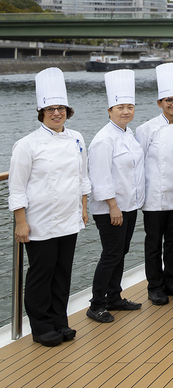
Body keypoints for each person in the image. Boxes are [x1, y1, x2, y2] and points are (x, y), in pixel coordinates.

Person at [8, 68, 89, 346]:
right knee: (41, 274)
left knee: (63, 272)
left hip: (69, 217)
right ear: (41, 112)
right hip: (39, 221)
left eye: (61, 108)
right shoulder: (27, 145)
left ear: (68, 110)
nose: (57, 113)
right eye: (50, 109)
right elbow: (16, 187)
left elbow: (82, 177)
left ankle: (60, 321)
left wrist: (83, 207)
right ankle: (41, 327)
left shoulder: (77, 138)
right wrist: (21, 221)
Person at [87, 70, 145, 324]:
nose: (125, 111)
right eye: (120, 107)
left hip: (129, 205)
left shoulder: (127, 133)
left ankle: (115, 297)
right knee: (111, 254)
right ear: (109, 110)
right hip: (111, 208)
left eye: (129, 107)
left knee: (121, 252)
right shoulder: (103, 139)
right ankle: (96, 304)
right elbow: (99, 177)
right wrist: (112, 206)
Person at [137, 63, 173, 306]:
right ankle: (154, 285)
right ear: (160, 102)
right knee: (153, 245)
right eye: (169, 100)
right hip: (154, 198)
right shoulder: (146, 129)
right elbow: (138, 165)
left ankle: (171, 281)